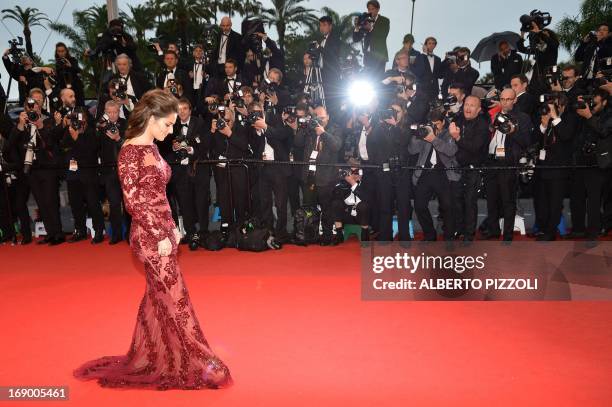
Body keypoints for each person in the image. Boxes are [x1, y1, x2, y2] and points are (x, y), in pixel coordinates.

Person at [73, 89, 232, 389]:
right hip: (148, 237)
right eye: (167, 124)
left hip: (164, 230)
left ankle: (155, 357)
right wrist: (159, 234)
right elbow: (133, 203)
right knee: (176, 298)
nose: (171, 130)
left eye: (173, 125)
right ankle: (197, 361)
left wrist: (173, 226)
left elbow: (160, 194)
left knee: (158, 298)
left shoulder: (154, 148)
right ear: (151, 117)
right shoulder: (130, 152)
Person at [352, 0, 390, 75]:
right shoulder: (366, 21)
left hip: (379, 57)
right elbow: (356, 39)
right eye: (369, 9)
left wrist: (370, 28)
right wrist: (357, 27)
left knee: (378, 80)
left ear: (378, 9)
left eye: (372, 9)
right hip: (368, 57)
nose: (370, 11)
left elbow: (383, 34)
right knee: (369, 80)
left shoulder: (384, 20)